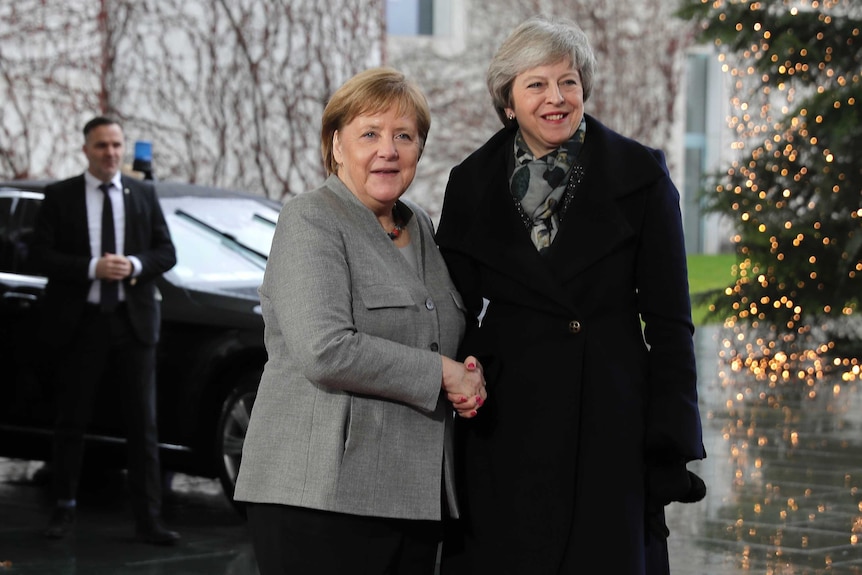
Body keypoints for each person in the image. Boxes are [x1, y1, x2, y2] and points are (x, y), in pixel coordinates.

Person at [436, 16, 707, 575]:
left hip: (610, 416)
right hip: (505, 420)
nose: (556, 98)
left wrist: (670, 439)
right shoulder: (471, 181)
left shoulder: (640, 175)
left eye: (568, 82)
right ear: (508, 102)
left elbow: (670, 322)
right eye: (536, 84)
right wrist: (456, 379)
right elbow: (454, 307)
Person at [233, 67, 487, 575]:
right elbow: (325, 350)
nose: (387, 150)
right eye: (369, 133)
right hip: (321, 496)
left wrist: (469, 370)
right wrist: (443, 373)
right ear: (336, 146)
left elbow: (437, 327)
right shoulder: (311, 218)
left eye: (404, 136)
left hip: (413, 497)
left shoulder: (420, 225)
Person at [31, 116, 179, 545]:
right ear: (86, 150)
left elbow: (165, 251)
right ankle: (63, 510)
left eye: (116, 145)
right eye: (102, 146)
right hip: (81, 323)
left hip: (133, 326)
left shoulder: (142, 193)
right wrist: (90, 268)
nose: (111, 153)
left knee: (143, 426)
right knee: (71, 421)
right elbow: (39, 255)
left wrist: (134, 266)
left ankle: (149, 519)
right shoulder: (60, 196)